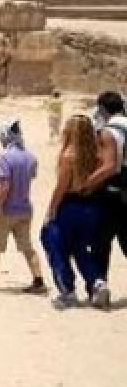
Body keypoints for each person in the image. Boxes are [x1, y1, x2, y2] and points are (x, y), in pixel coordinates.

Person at [42, 114, 110, 310]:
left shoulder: (69, 155)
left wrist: (51, 209)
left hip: (70, 206)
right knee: (80, 247)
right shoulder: (96, 155)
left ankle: (67, 291)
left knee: (56, 245)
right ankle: (97, 282)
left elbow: (61, 187)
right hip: (91, 206)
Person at [0, 120, 46, 293]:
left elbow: (4, 186)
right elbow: (30, 178)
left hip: (6, 209)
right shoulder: (31, 157)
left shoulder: (4, 157)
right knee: (27, 247)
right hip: (25, 208)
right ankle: (38, 279)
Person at [88, 90, 127, 301]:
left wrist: (86, 185)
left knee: (100, 242)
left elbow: (110, 166)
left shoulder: (108, 132)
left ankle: (100, 286)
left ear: (102, 109)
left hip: (114, 193)